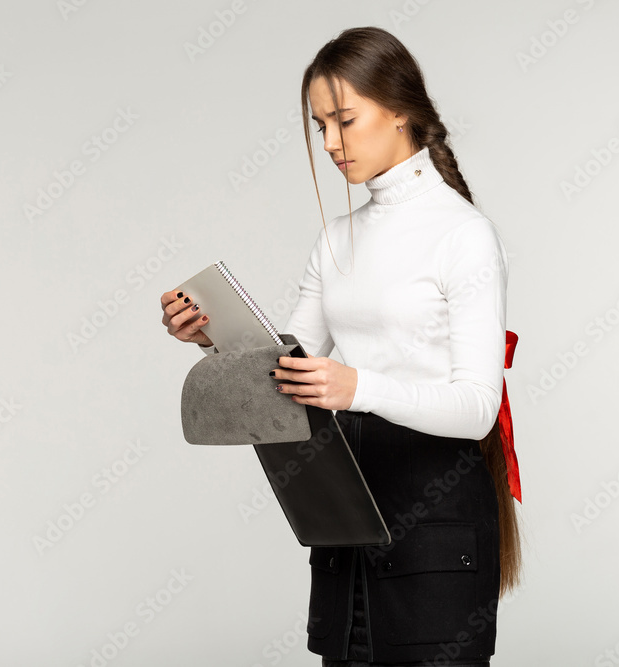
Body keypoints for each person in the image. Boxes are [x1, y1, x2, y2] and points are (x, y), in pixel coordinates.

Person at [161, 26, 522, 666]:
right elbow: (285, 372)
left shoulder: (464, 236)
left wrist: (357, 387)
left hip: (435, 524)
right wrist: (211, 339)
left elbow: (475, 409)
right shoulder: (335, 239)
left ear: (401, 110)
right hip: (348, 518)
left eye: (344, 121)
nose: (330, 143)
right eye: (319, 125)